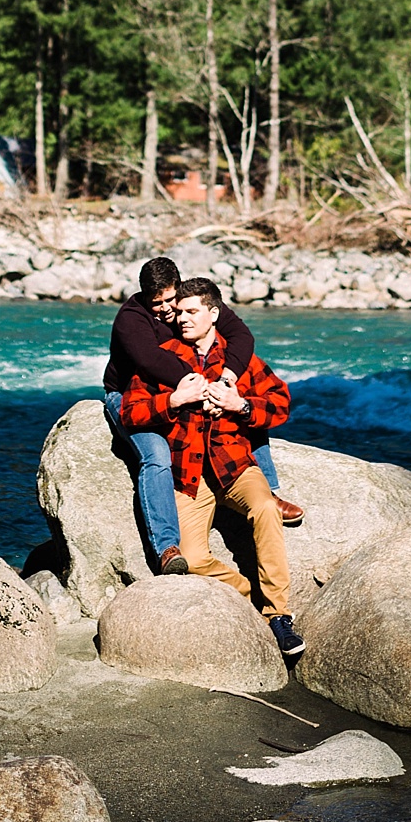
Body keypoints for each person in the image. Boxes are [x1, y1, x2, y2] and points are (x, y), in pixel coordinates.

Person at [120, 276, 306, 659]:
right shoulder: (164, 357)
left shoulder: (239, 361)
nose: (181, 319)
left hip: (235, 467)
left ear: (213, 314)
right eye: (179, 312)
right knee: (191, 558)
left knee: (267, 509)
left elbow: (282, 403)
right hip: (189, 477)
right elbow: (130, 412)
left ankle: (280, 615)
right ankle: (251, 597)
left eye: (191, 312)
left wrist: (242, 406)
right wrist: (174, 399)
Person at [103, 257, 302, 575]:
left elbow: (242, 338)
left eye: (172, 299)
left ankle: (271, 493)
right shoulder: (132, 319)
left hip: (189, 387)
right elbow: (151, 361)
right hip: (130, 393)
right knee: (156, 454)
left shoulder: (193, 302)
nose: (168, 309)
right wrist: (203, 389)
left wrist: (227, 381)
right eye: (159, 303)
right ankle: (167, 547)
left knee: (243, 406)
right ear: (145, 297)